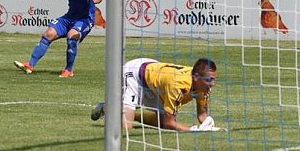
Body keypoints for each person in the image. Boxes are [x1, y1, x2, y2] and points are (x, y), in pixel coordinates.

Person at [13, 0, 102, 77]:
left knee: (72, 36)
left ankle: (68, 70)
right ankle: (29, 65)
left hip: (85, 19)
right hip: (69, 17)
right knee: (48, 34)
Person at [90, 58, 220, 132]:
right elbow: (171, 123)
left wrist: (208, 125)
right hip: (135, 75)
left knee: (161, 121)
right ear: (196, 77)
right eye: (209, 79)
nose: (212, 83)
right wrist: (192, 130)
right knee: (126, 128)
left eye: (213, 79)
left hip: (156, 83)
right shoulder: (177, 85)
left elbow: (202, 115)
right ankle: (107, 107)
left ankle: (132, 114)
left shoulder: (203, 86)